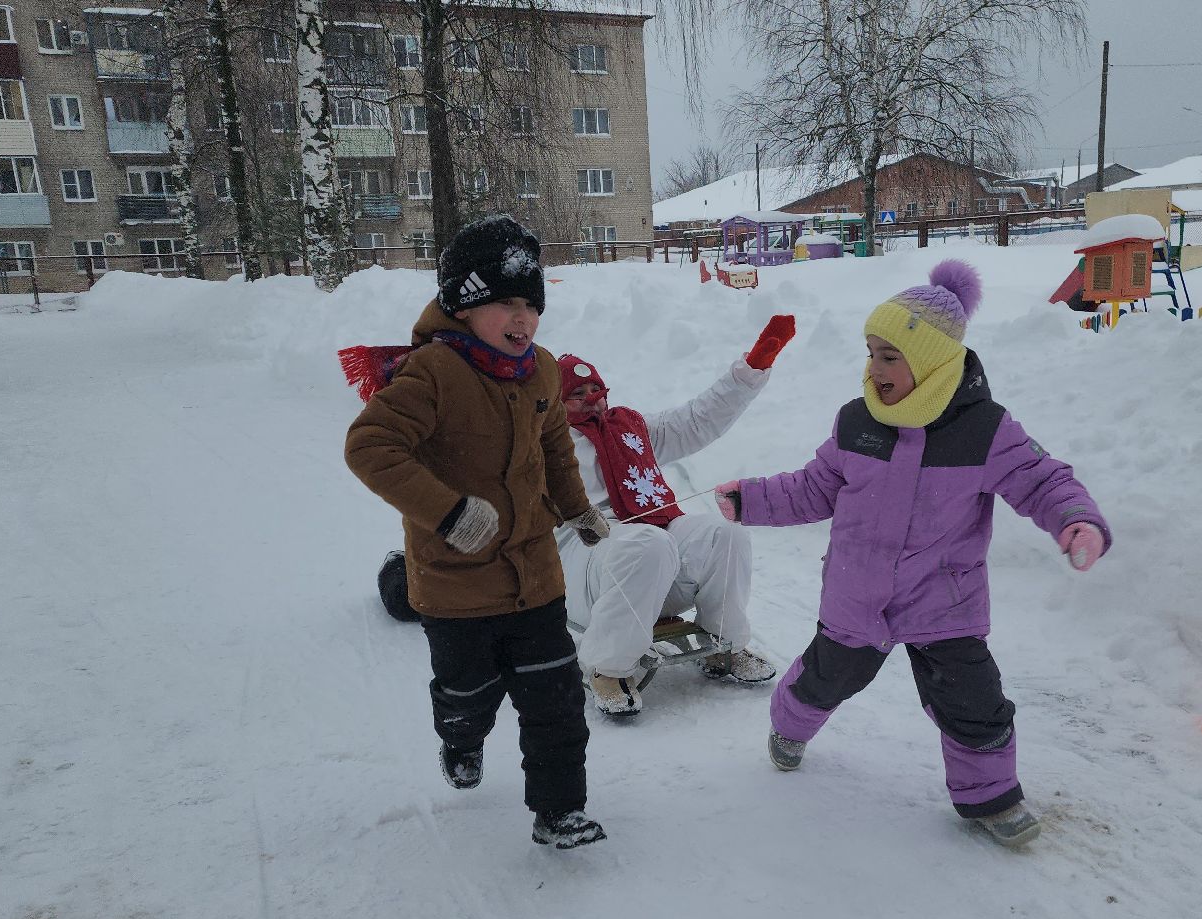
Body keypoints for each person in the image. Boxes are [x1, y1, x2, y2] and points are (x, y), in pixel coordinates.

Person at [713, 260, 1111, 848]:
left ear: (930, 361)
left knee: (973, 700)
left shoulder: (985, 430)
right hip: (857, 592)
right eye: (871, 352)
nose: (873, 369)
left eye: (889, 356)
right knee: (826, 680)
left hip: (944, 599)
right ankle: (788, 726)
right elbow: (812, 487)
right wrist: (751, 500)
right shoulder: (857, 421)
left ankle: (991, 799)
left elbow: (1042, 480)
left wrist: (1076, 520)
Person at [345, 215, 614, 850]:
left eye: (531, 304)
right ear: (464, 306)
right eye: (504, 302)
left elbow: (555, 450)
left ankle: (559, 810)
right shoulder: (434, 373)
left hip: (536, 575)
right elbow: (370, 446)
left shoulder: (541, 371)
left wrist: (576, 508)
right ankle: (459, 736)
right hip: (455, 586)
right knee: (470, 694)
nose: (522, 318)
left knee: (556, 699)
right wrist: (447, 512)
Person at [556, 313, 794, 716]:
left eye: (596, 387)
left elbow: (698, 418)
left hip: (653, 551)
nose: (592, 397)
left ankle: (724, 644)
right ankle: (607, 668)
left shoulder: (631, 428)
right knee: (647, 544)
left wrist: (750, 370)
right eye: (577, 392)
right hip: (587, 562)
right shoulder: (544, 445)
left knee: (725, 535)